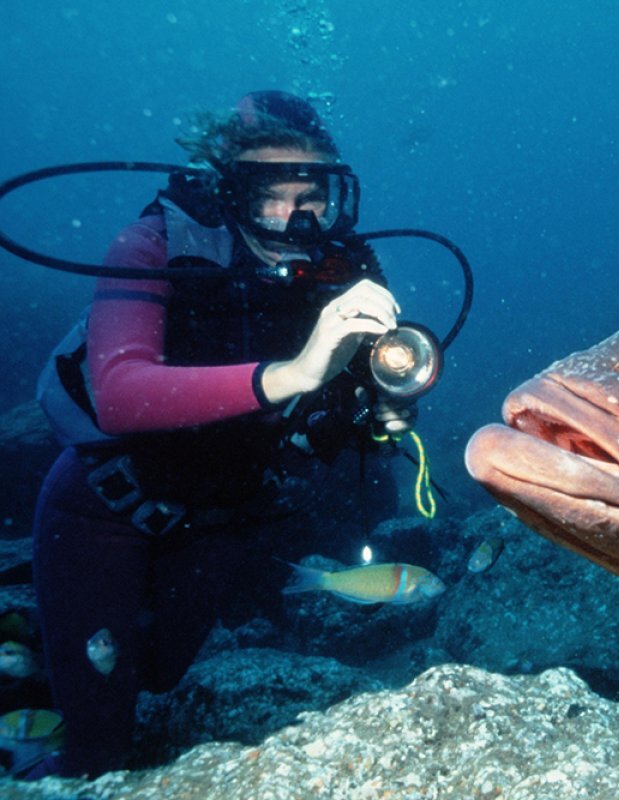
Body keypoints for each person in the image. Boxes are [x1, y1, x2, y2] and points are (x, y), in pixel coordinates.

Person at [29, 90, 412, 777]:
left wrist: (378, 410)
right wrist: (292, 373)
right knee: (99, 740)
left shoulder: (340, 269)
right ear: (229, 190)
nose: (298, 214)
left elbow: (364, 394)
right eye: (272, 193)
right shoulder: (154, 243)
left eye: (313, 191)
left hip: (220, 521)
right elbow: (119, 395)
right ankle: (37, 679)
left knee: (161, 671)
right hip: (105, 509)